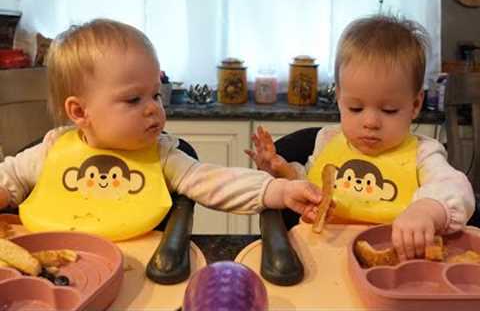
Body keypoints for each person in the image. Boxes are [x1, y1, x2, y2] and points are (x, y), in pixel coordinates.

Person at [0, 18, 322, 237]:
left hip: (137, 273)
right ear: (80, 111)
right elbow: (10, 177)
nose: (154, 107)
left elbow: (215, 181)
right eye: (133, 99)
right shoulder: (53, 150)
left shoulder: (163, 156)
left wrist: (277, 190)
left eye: (155, 94)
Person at [246, 14, 475, 261]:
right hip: (322, 257)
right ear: (339, 99)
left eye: (389, 110)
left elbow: (456, 188)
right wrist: (283, 171)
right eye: (355, 108)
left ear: (415, 104)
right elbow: (312, 189)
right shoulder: (328, 140)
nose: (370, 122)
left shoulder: (423, 154)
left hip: (393, 262)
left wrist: (428, 210)